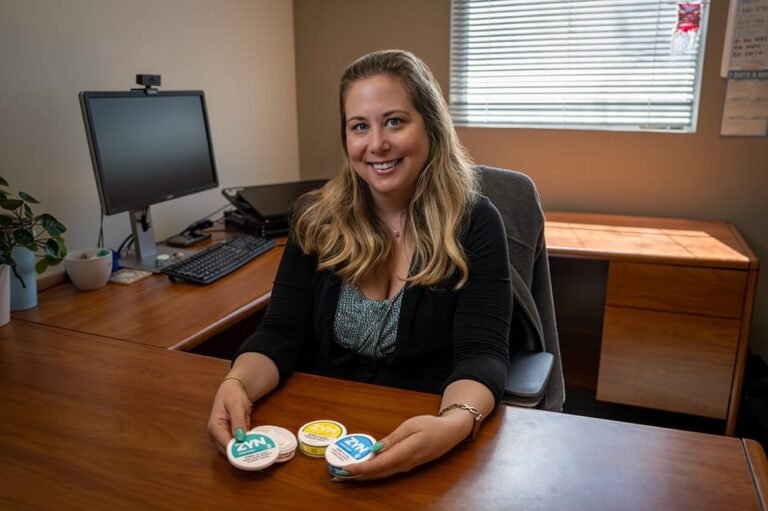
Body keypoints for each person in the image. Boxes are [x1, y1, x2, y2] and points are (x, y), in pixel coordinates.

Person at [208, 49, 512, 480]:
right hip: (324, 428)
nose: (376, 144)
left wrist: (456, 423)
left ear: (431, 126)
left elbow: (481, 353)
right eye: (359, 127)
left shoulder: (474, 223)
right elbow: (281, 332)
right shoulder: (315, 219)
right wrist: (235, 384)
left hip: (425, 424)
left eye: (395, 121)